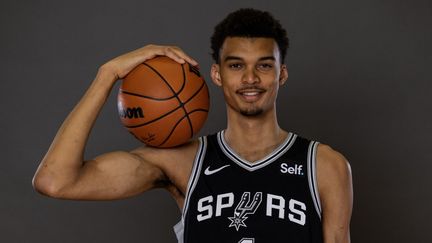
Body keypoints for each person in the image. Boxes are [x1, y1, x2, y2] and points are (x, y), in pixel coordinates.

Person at [33, 8, 353, 243]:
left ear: (281, 74)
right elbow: (55, 181)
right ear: (217, 74)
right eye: (236, 65)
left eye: (265, 66)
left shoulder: (324, 165)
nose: (251, 78)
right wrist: (107, 74)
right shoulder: (182, 162)